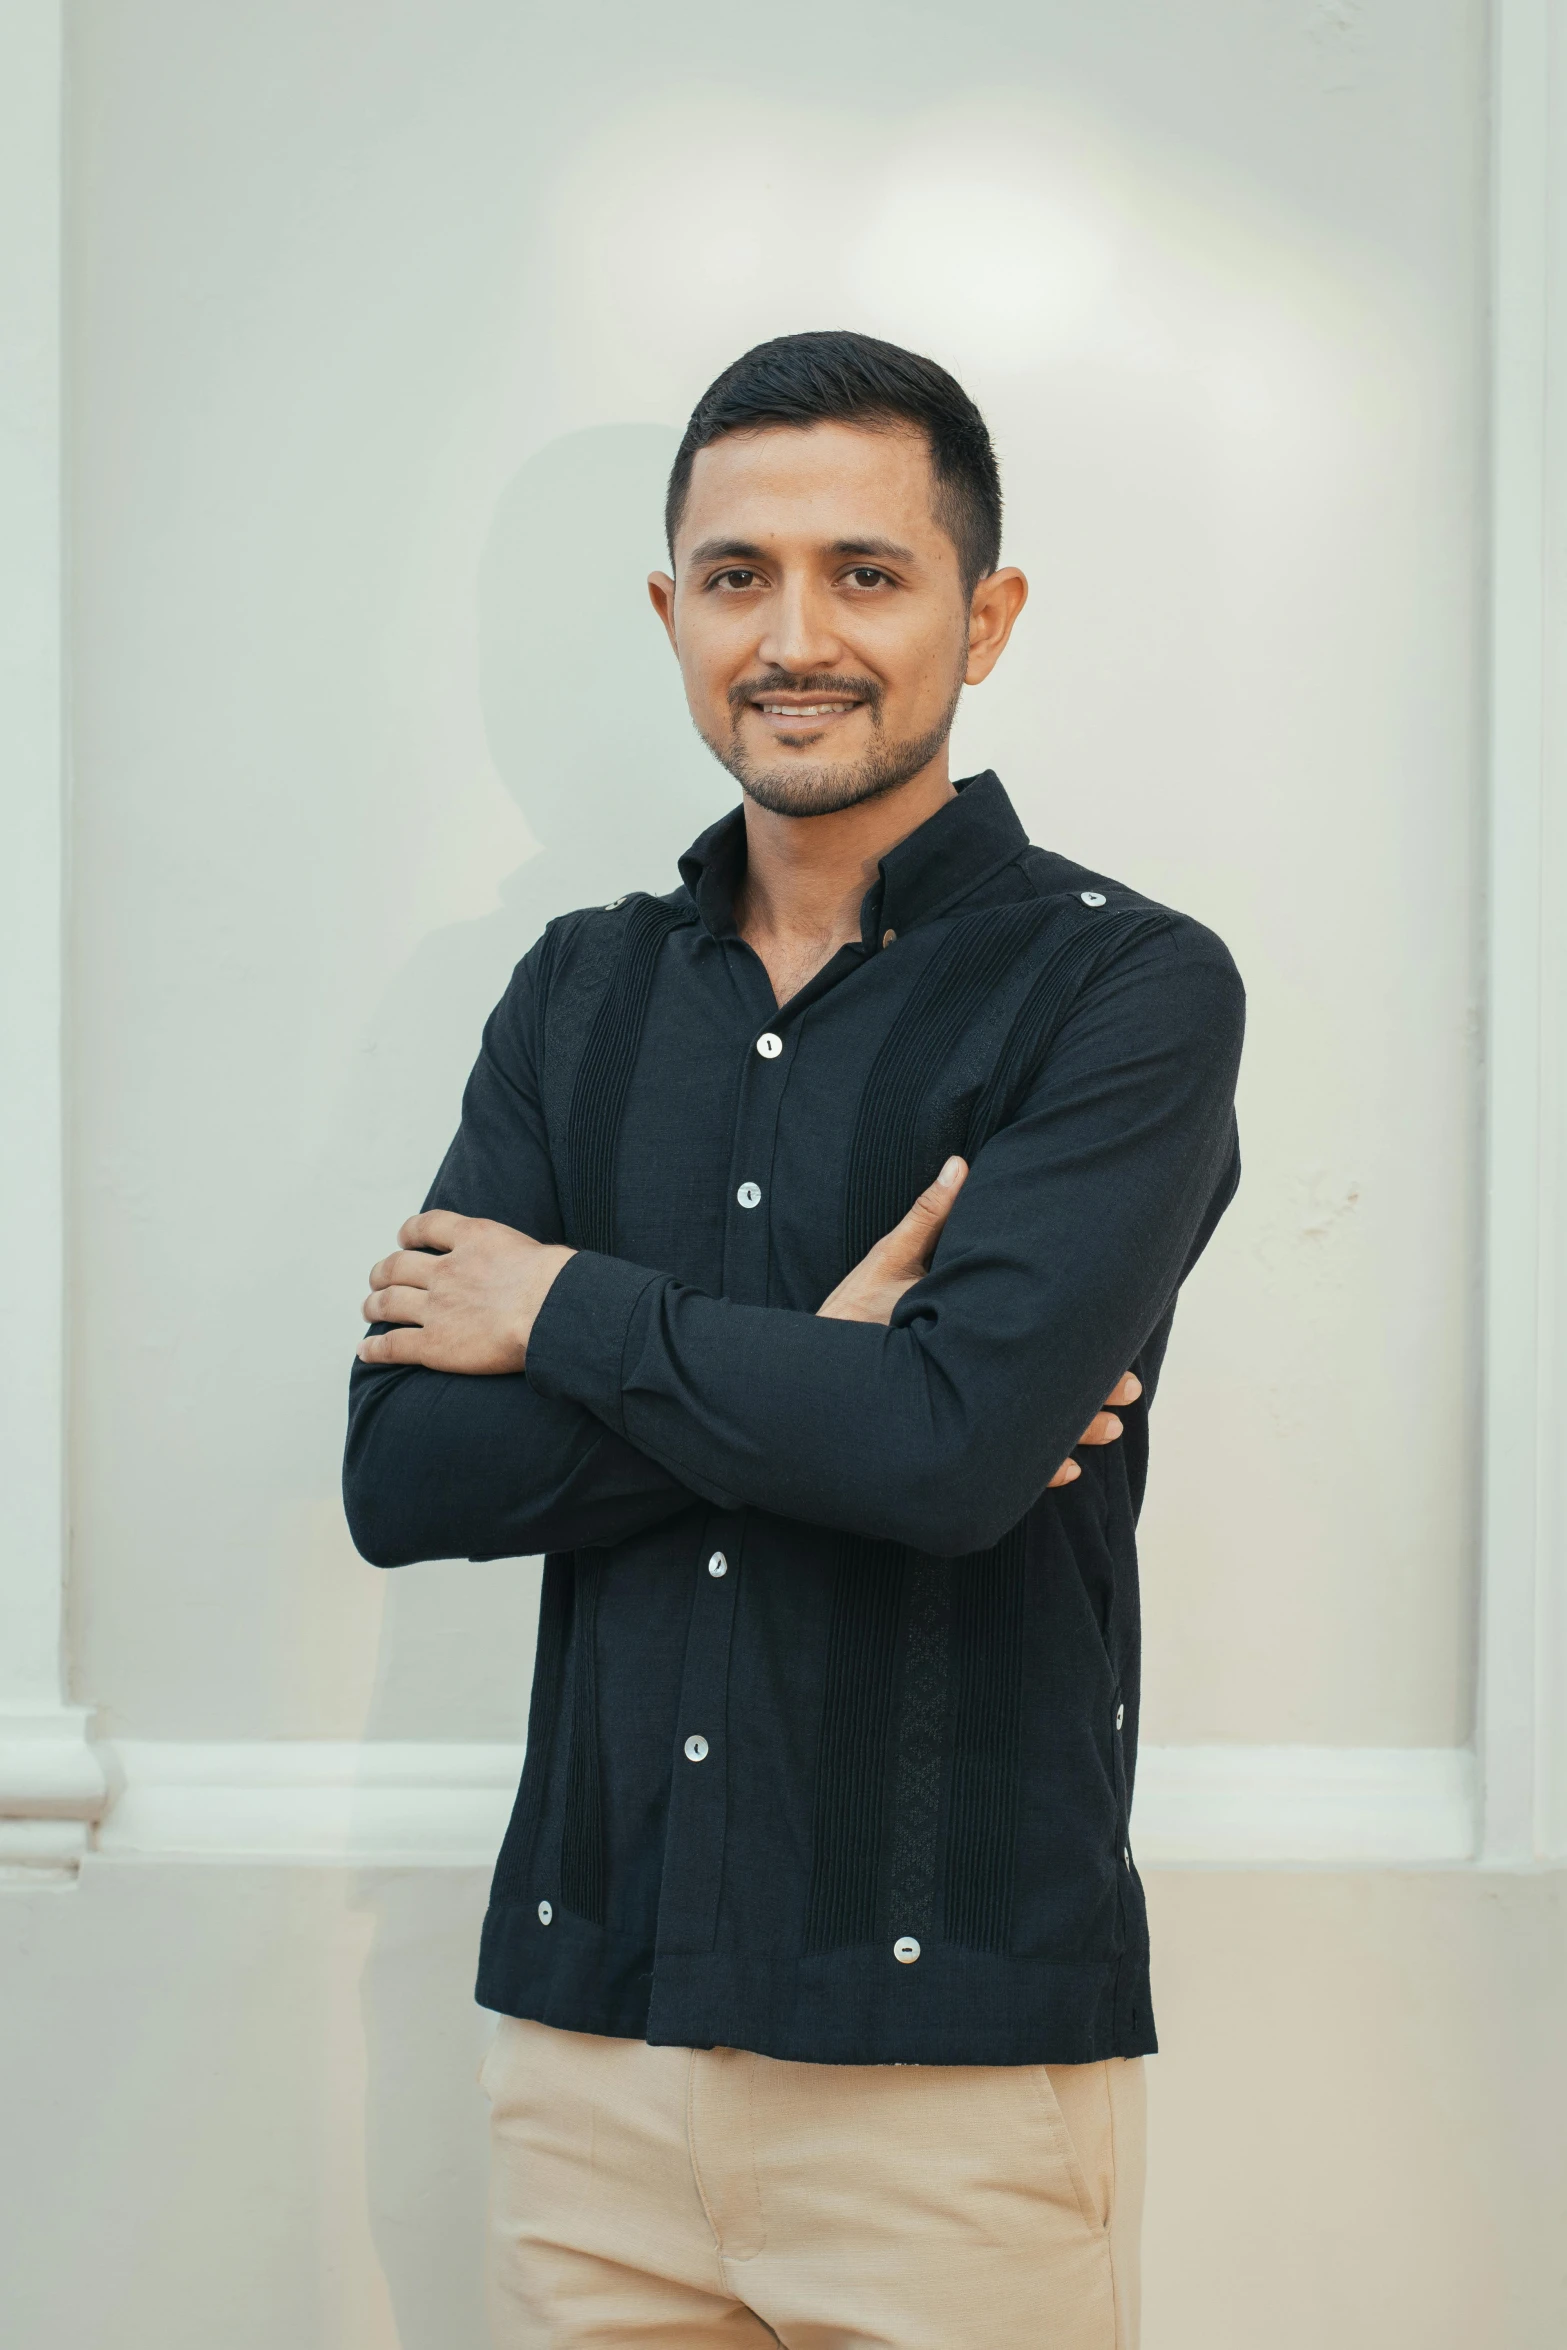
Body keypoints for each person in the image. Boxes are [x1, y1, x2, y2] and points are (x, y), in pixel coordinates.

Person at [344, 329, 1244, 2350]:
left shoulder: (1126, 993)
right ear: (672, 614)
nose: (794, 632)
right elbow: (402, 1480)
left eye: (867, 569)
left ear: (982, 615)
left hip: (950, 2090)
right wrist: (827, 1363)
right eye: (738, 575)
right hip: (590, 2051)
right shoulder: (573, 998)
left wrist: (570, 1313)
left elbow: (945, 1461)